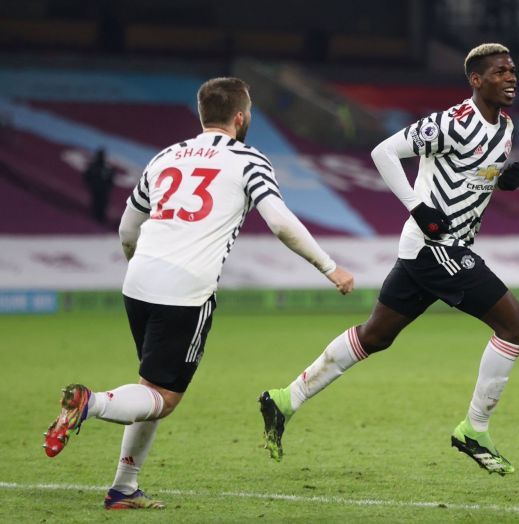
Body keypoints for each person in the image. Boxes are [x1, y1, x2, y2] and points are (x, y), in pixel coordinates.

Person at [42, 77, 354, 509]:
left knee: (149, 386)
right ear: (241, 117)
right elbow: (280, 222)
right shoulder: (249, 159)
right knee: (162, 399)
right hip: (185, 290)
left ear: (202, 114)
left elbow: (126, 230)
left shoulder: (165, 156)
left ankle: (124, 488)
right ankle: (88, 403)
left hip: (139, 283)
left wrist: (141, 266)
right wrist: (329, 267)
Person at [258, 43, 519, 476]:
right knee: (515, 325)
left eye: (512, 70)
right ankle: (474, 430)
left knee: (374, 336)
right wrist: (417, 207)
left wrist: (505, 177)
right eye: (500, 72)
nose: (511, 77)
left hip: (428, 250)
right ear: (476, 80)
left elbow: (477, 173)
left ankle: (285, 399)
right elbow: (383, 152)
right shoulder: (450, 123)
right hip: (437, 247)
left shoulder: (505, 128)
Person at [83, 147, 116, 224]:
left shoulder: (105, 168)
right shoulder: (94, 166)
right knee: (97, 204)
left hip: (102, 191)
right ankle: (96, 218)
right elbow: (87, 176)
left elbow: (111, 179)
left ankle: (99, 219)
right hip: (97, 190)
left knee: (101, 205)